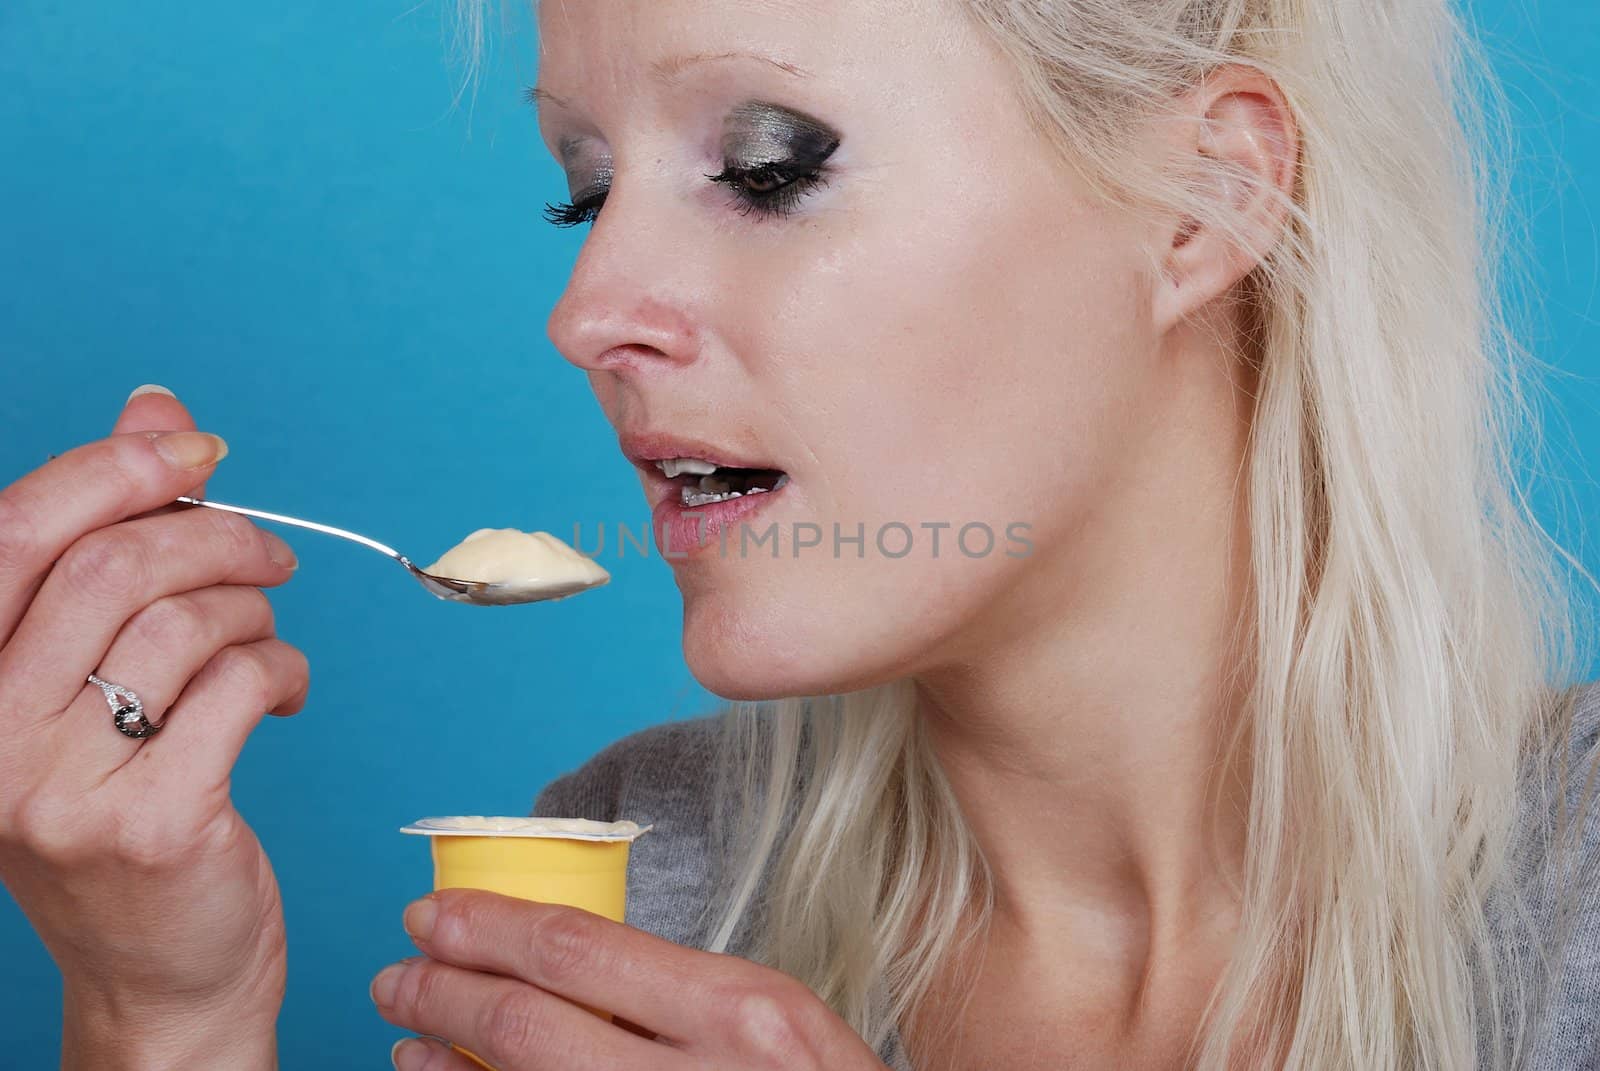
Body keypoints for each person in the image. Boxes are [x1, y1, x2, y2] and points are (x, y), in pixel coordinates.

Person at [4, 0, 1598, 1068]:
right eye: (586, 188)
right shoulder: (637, 886)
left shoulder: (1569, 910)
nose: (588, 312)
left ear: (1206, 206)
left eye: (769, 167)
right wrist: (163, 1014)